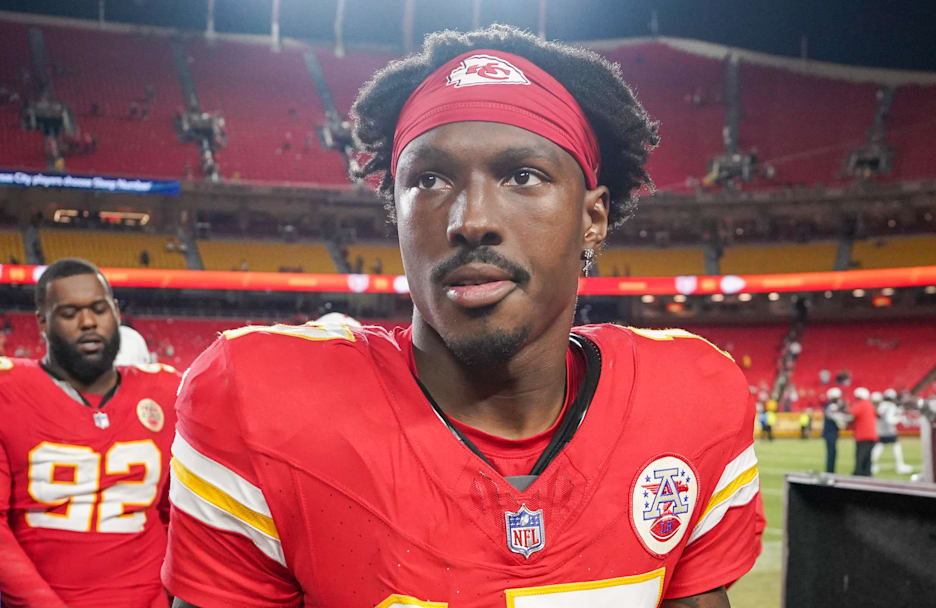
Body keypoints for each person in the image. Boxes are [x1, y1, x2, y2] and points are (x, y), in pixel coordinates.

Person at [164, 26, 763, 607]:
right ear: (396, 214)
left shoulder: (689, 400)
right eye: (429, 180)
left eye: (522, 176)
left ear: (593, 218)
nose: (471, 220)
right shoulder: (260, 403)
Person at [0, 258, 180, 607]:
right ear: (42, 322)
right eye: (69, 313)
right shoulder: (8, 390)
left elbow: (177, 514)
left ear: (115, 312)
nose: (88, 322)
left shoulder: (164, 390)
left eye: (99, 309)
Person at [871, 388, 912, 475]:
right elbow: (890, 420)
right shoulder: (890, 406)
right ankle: (900, 465)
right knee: (896, 447)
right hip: (889, 431)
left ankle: (871, 465)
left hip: (880, 430)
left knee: (879, 447)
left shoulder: (881, 405)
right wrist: (900, 418)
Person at [850, 387, 878, 476]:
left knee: (860, 456)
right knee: (868, 456)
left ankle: (859, 473)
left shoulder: (861, 404)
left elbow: (851, 414)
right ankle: (867, 473)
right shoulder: (869, 404)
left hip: (863, 435)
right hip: (871, 435)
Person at [822, 387, 848, 473]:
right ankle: (830, 471)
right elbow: (839, 420)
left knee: (832, 452)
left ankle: (831, 470)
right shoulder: (831, 406)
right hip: (830, 433)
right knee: (831, 453)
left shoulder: (832, 405)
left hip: (831, 432)